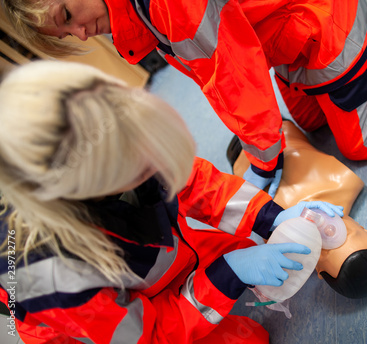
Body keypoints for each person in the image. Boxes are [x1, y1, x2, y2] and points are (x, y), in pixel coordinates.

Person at [0, 60, 345, 344]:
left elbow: (197, 182)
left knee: (239, 250)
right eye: (142, 165)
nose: (155, 159)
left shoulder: (115, 142)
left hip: (142, 259)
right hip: (102, 327)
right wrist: (229, 273)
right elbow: (147, 336)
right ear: (90, 188)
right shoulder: (51, 278)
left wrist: (273, 217)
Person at [0, 0, 367, 196]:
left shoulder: (168, 5)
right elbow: (219, 74)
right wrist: (260, 145)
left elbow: (235, 76)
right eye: (66, 35)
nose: (82, 33)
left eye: (68, 14)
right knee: (312, 124)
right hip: (283, 38)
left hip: (317, 18)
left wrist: (261, 163)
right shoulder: (142, 13)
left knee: (362, 142)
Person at [230, 120, 367, 299]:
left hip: (236, 162)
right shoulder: (343, 181)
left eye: (325, 249)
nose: (326, 231)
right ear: (364, 229)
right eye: (344, 233)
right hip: (270, 129)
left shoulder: (279, 246)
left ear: (318, 270)